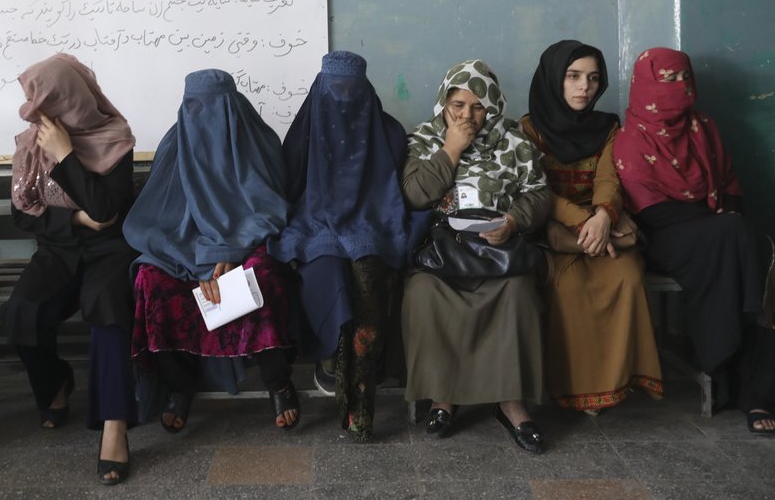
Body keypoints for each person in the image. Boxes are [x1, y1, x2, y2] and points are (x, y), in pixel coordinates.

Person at [123, 69, 299, 432]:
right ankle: (180, 385)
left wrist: (230, 252)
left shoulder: (258, 140)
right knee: (151, 281)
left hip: (247, 243)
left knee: (262, 276)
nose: (203, 117)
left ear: (233, 106)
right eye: (194, 107)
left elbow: (272, 209)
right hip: (186, 250)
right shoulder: (176, 144)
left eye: (213, 107)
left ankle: (277, 381)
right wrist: (201, 261)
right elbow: (154, 217)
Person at [615, 47, 775, 435]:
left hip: (720, 233)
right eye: (664, 80)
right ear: (644, 85)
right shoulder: (630, 137)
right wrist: (720, 221)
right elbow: (651, 213)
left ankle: (755, 387)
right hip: (664, 239)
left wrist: (724, 220)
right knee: (737, 237)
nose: (675, 88)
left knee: (766, 252)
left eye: (681, 78)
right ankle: (739, 375)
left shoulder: (704, 127)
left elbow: (730, 183)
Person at [1, 53, 139, 484]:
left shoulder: (114, 137)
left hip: (109, 251)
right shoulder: (29, 144)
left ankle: (115, 427)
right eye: (30, 101)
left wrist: (64, 156)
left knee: (107, 307)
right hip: (59, 248)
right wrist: (74, 219)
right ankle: (56, 382)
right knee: (20, 312)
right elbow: (24, 214)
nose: (34, 113)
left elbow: (105, 210)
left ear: (70, 98)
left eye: (43, 101)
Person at [402, 59, 550, 453]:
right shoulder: (424, 138)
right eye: (458, 106)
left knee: (518, 292)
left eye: (478, 106)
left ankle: (511, 403)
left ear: (494, 107)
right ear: (444, 104)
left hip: (498, 253)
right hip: (444, 256)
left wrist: (514, 222)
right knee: (422, 292)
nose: (468, 115)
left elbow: (538, 194)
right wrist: (452, 147)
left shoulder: (516, 142)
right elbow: (415, 194)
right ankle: (443, 398)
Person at [268, 51, 408, 441]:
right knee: (331, 279)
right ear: (320, 90)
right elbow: (288, 190)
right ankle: (331, 365)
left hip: (373, 224)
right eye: (336, 90)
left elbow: (395, 193)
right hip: (316, 224)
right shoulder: (303, 132)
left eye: (352, 90)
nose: (344, 99)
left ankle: (360, 411)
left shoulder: (390, 134)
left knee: (367, 287)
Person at [521, 40, 663, 414]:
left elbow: (609, 178)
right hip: (553, 225)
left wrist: (602, 216)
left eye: (593, 78)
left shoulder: (608, 126)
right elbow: (538, 190)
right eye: (573, 76)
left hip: (604, 222)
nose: (584, 86)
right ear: (554, 79)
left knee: (627, 275)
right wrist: (585, 222)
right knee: (568, 286)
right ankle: (573, 388)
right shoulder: (528, 129)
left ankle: (615, 383)